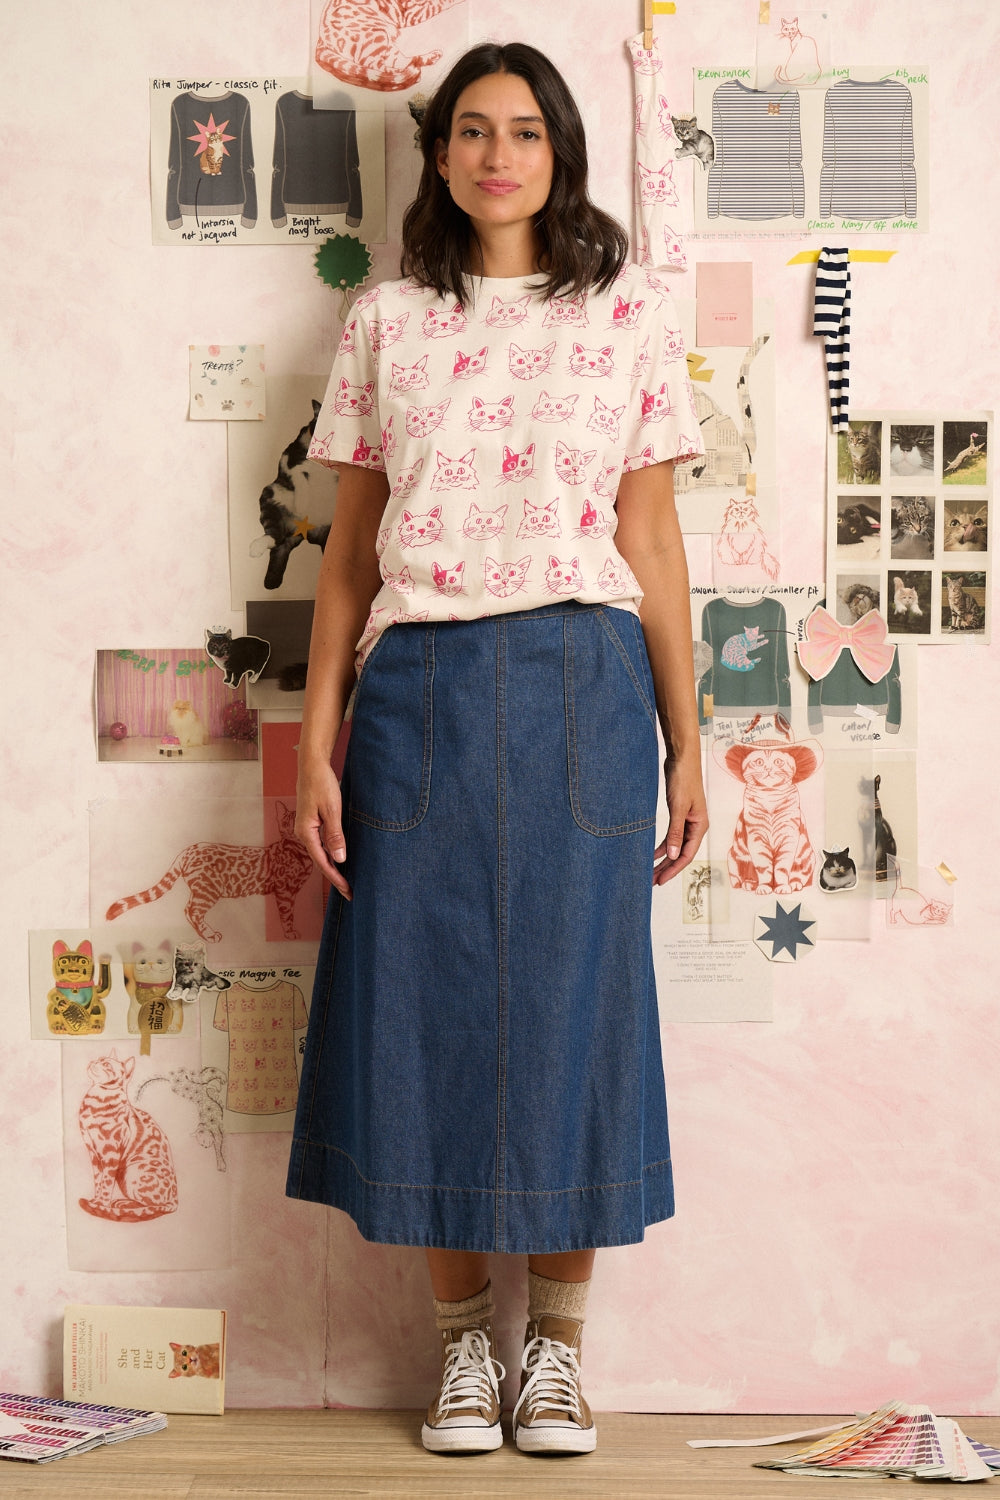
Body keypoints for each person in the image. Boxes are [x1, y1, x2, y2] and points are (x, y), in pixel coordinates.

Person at [286, 40, 708, 1457]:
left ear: (560, 151)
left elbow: (652, 541)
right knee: (422, 1006)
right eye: (471, 130)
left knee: (578, 1010)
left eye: (523, 130)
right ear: (444, 154)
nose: (496, 154)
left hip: (586, 680)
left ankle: (560, 1364)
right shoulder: (388, 324)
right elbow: (347, 556)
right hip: (418, 688)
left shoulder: (632, 315)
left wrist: (690, 748)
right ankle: (466, 1351)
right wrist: (314, 746)